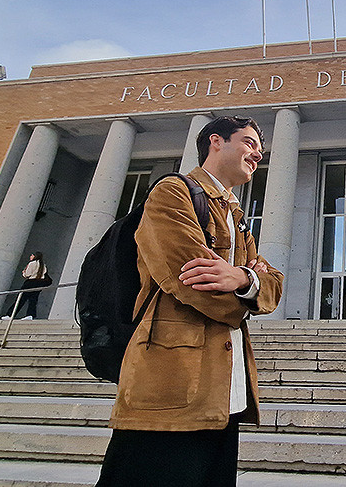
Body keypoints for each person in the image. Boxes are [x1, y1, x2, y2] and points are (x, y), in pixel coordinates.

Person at [96, 116, 283, 487]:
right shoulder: (173, 192)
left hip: (224, 395)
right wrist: (247, 295)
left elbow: (274, 284)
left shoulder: (236, 217)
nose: (258, 153)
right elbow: (188, 279)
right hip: (169, 387)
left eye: (260, 148)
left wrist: (243, 278)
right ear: (216, 141)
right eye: (248, 142)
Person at [1, 252, 49, 320]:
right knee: (33, 300)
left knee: (20, 299)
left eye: (32, 255)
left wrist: (24, 273)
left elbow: (27, 274)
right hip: (39, 283)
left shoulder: (32, 263)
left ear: (35, 256)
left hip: (30, 282)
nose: (30, 256)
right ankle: (31, 315)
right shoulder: (43, 265)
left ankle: (10, 314)